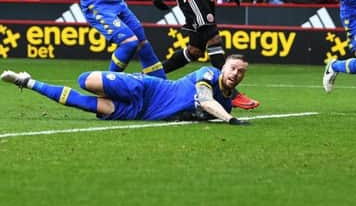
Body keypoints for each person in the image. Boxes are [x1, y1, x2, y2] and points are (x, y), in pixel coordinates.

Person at [0, 54, 250, 125]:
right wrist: (231, 120)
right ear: (224, 68)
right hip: (146, 89)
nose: (235, 74)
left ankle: (26, 82)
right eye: (233, 69)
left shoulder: (225, 103)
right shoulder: (208, 74)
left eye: (241, 72)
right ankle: (118, 81)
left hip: (142, 113)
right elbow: (206, 101)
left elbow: (209, 109)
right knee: (84, 80)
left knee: (81, 103)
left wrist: (231, 109)